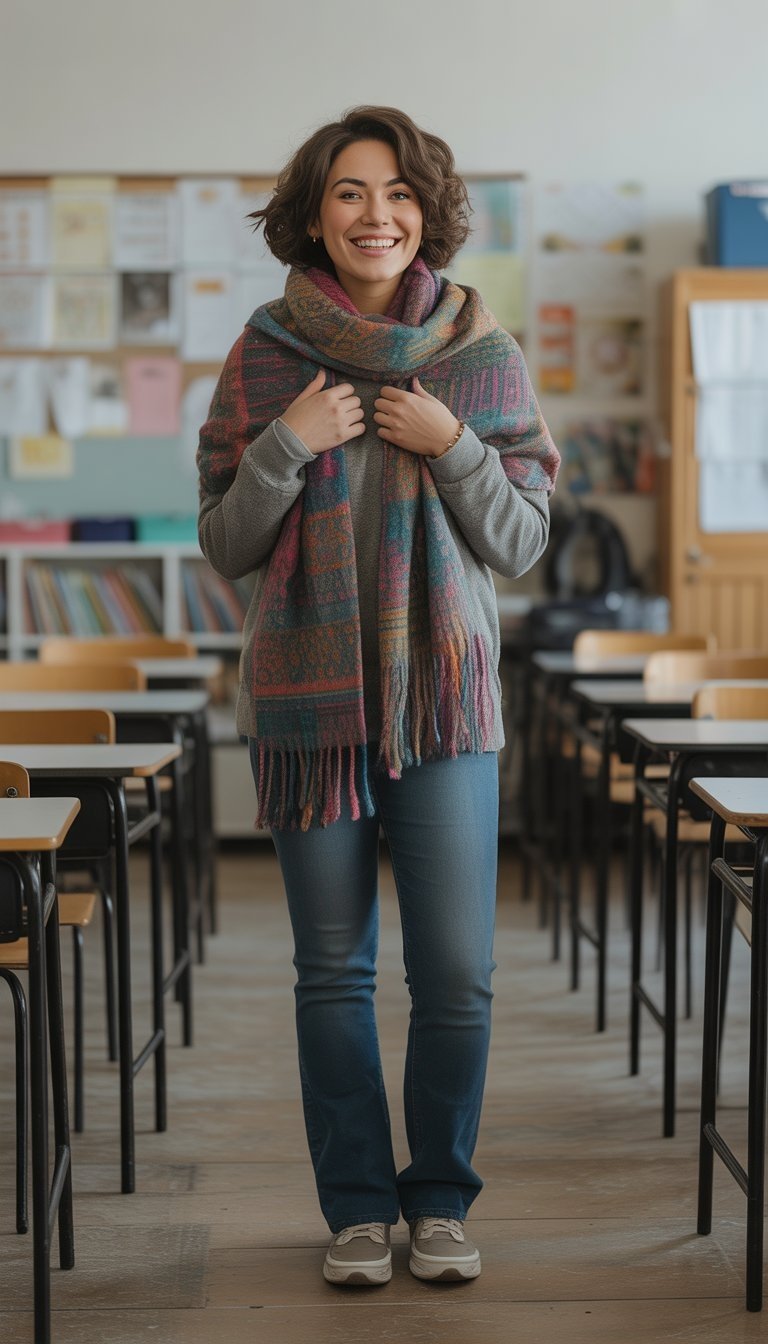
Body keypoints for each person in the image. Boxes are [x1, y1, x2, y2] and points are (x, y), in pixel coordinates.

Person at [196, 105, 559, 1288]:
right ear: (313, 213)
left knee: (456, 972)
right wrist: (283, 447)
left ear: (428, 212)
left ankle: (439, 1201)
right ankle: (357, 1211)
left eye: (398, 192)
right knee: (332, 972)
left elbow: (520, 543)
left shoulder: (478, 355)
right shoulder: (265, 351)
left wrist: (455, 441)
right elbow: (228, 542)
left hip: (443, 706)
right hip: (313, 715)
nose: (376, 214)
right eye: (350, 192)